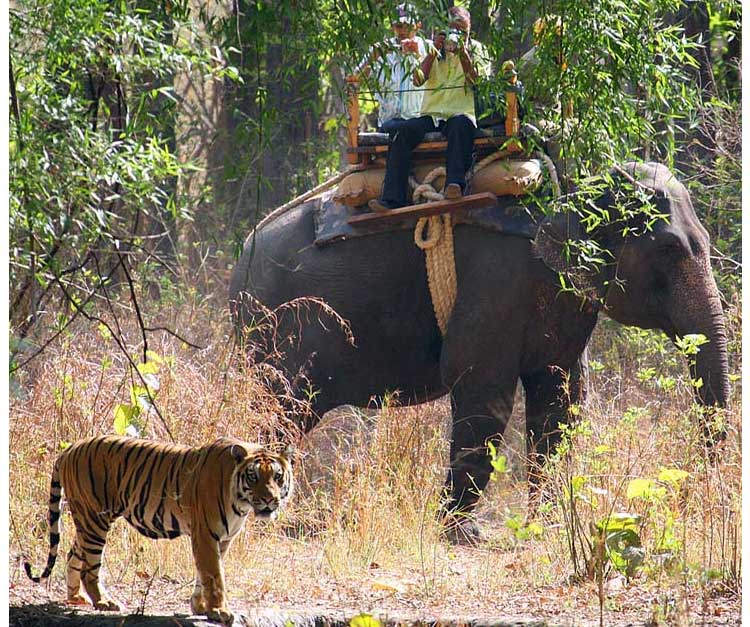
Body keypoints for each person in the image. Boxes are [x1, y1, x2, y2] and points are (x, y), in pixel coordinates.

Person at [369, 5, 490, 211]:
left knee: (461, 125)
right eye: (451, 30)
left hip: (459, 114)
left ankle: (454, 184)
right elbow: (417, 79)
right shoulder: (431, 49)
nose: (456, 34)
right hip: (431, 115)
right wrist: (434, 50)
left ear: (468, 31)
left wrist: (462, 52)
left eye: (461, 30)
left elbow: (477, 81)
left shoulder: (477, 49)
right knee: (402, 131)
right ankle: (391, 199)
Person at [347, 3, 427, 135]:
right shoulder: (381, 49)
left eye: (408, 26)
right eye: (399, 26)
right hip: (389, 122)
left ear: (418, 26)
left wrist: (417, 55)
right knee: (395, 130)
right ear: (392, 27)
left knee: (406, 130)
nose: (403, 31)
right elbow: (354, 80)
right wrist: (371, 59)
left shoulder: (427, 48)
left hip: (418, 121)